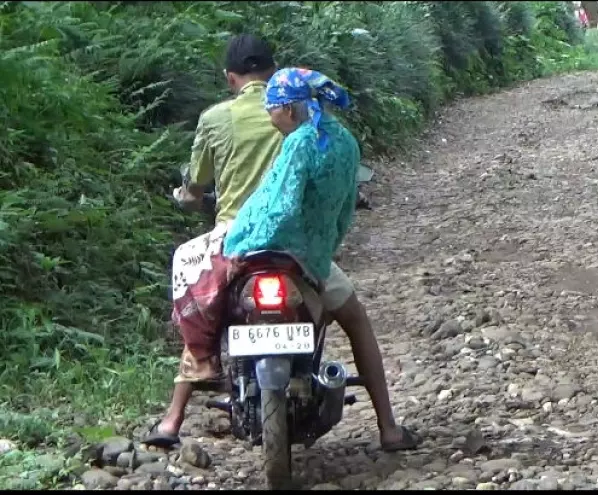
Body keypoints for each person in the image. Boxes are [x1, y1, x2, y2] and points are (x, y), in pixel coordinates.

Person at [143, 34, 420, 453]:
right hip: (304, 249)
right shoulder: (330, 134)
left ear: (230, 77)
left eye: (276, 109)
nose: (271, 113)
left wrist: (231, 230)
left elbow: (272, 202)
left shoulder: (228, 120)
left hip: (249, 235)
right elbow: (335, 205)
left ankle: (172, 418)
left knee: (200, 292)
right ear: (271, 70)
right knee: (355, 318)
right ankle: (388, 427)